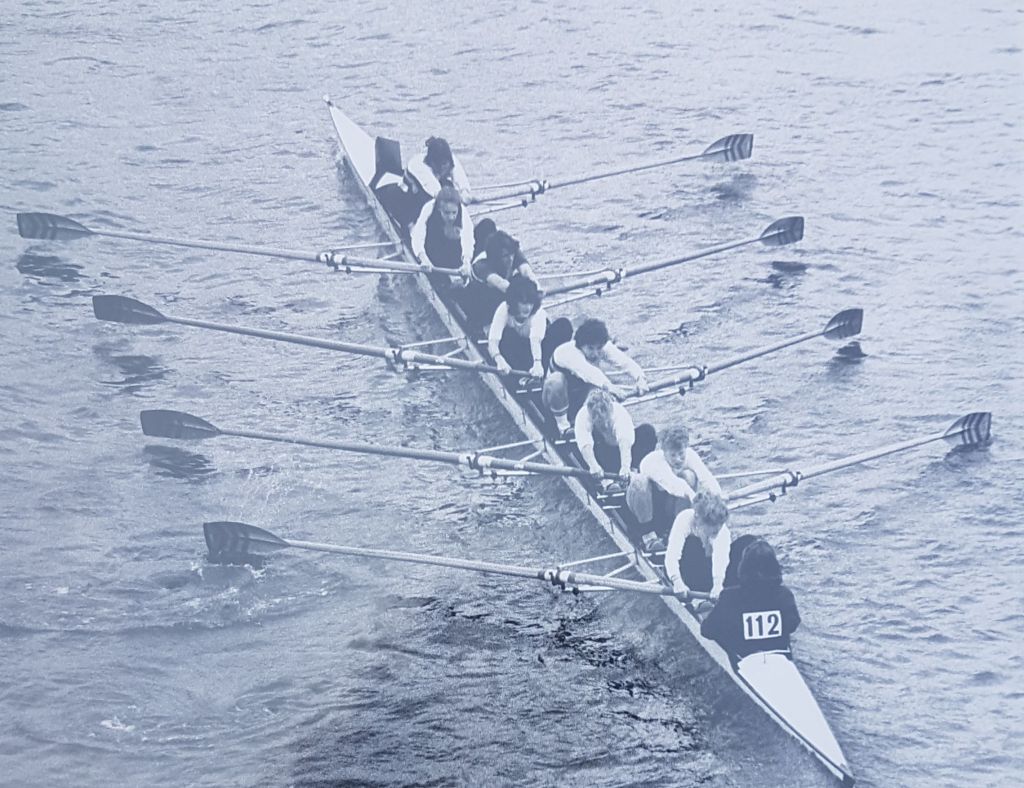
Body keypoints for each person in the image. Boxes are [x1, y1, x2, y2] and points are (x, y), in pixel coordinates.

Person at [542, 318, 648, 433]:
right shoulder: (567, 353)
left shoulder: (603, 346)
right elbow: (588, 372)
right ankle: (563, 427)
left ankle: (588, 424)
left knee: (599, 391)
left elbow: (625, 362)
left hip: (579, 395)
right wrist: (611, 387)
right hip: (556, 399)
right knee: (556, 380)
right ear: (580, 344)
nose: (595, 353)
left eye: (599, 348)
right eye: (590, 348)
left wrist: (640, 378)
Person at [700, 538, 801, 660]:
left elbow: (707, 630)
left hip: (745, 662)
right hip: (781, 659)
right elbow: (793, 624)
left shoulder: (729, 597)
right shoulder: (785, 595)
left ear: (743, 567)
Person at [628, 425, 721, 547]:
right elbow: (672, 484)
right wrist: (693, 496)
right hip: (648, 506)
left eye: (681, 454)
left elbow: (706, 477)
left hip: (668, 506)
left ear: (685, 448)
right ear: (664, 452)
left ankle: (676, 527)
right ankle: (647, 534)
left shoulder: (690, 455)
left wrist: (718, 498)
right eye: (673, 455)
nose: (678, 459)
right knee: (640, 482)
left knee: (689, 476)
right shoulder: (652, 462)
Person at [665, 488, 731, 599]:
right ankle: (689, 588)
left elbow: (720, 558)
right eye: (714, 531)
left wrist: (718, 585)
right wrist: (677, 581)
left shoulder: (722, 530)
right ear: (699, 520)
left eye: (718, 530)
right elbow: (672, 554)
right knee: (692, 545)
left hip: (707, 567)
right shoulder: (684, 518)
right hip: (687, 564)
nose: (717, 532)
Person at [464, 229, 537, 328]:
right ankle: (484, 326)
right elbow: (501, 284)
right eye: (505, 256)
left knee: (521, 280)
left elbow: (527, 273)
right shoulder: (481, 265)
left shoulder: (512, 251)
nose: (511, 258)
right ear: (496, 257)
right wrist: (525, 297)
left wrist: (536, 290)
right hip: (480, 302)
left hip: (502, 293)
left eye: (512, 254)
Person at [488, 277, 549, 378]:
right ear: (514, 302)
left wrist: (537, 363)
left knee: (563, 325)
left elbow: (535, 341)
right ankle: (515, 373)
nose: (528, 308)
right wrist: (499, 359)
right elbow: (492, 340)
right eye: (524, 303)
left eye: (531, 303)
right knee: (507, 335)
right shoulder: (504, 308)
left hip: (539, 349)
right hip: (519, 348)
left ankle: (542, 372)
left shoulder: (539, 313)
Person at [410, 185, 473, 279]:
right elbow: (418, 235)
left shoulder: (462, 210)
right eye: (447, 213)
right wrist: (423, 258)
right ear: (439, 209)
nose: (451, 217)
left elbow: (468, 237)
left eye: (454, 212)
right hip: (434, 249)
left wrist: (466, 262)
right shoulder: (429, 208)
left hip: (451, 249)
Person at [575, 388, 636, 487]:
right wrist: (593, 466)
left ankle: (632, 470)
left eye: (606, 421)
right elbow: (584, 443)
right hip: (602, 452)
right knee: (581, 450)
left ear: (610, 410)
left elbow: (624, 442)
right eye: (600, 422)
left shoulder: (619, 412)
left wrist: (625, 467)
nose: (605, 425)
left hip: (620, 450)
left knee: (647, 431)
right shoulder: (583, 415)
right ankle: (607, 482)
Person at [405, 136, 473, 214]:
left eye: (446, 164)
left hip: (436, 180)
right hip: (415, 190)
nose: (445, 167)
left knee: (449, 186)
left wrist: (465, 194)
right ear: (433, 163)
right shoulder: (419, 167)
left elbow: (460, 179)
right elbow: (437, 193)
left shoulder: (449, 158)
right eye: (442, 165)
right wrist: (457, 200)